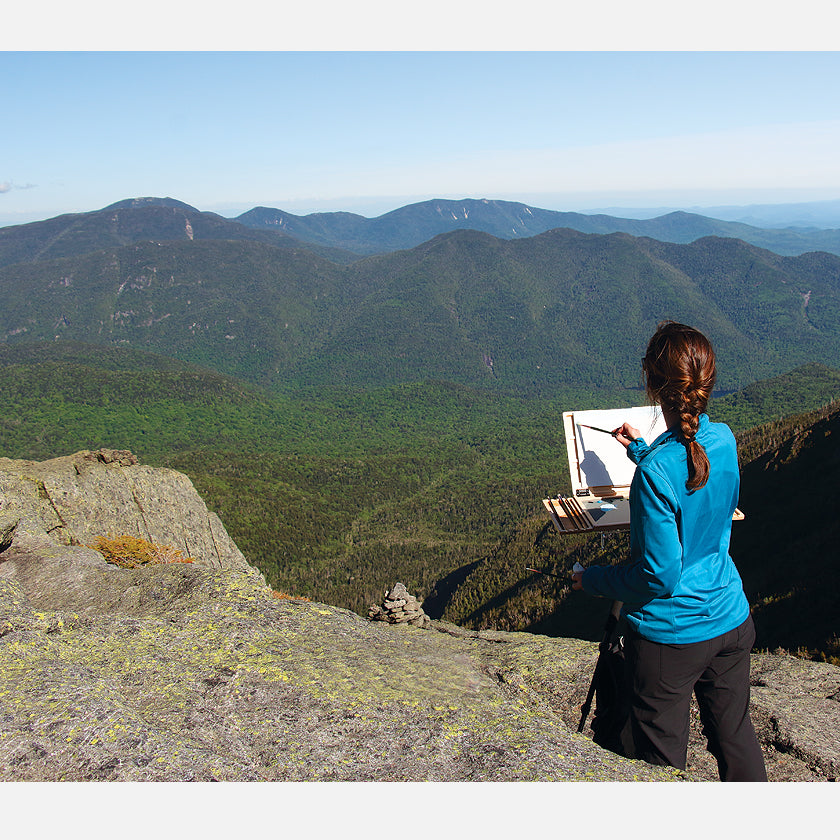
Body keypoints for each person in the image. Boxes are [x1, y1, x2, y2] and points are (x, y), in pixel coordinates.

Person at [571, 321, 767, 782]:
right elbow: (696, 491)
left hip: (672, 638)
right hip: (731, 618)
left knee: (661, 762)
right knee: (736, 737)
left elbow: (658, 576)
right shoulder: (725, 439)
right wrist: (643, 451)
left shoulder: (655, 474)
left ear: (654, 385)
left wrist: (591, 579)